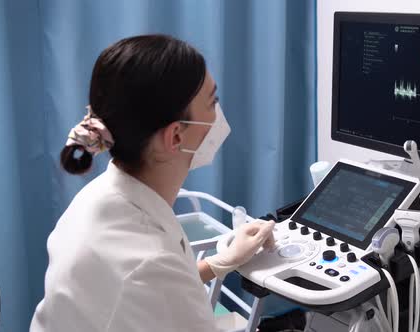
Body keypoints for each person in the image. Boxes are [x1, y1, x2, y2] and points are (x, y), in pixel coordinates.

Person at [30, 34, 275, 332]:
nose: (217, 114)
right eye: (213, 101)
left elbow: (148, 288)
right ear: (175, 137)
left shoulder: (99, 198)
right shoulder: (149, 262)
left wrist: (222, 262)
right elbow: (149, 280)